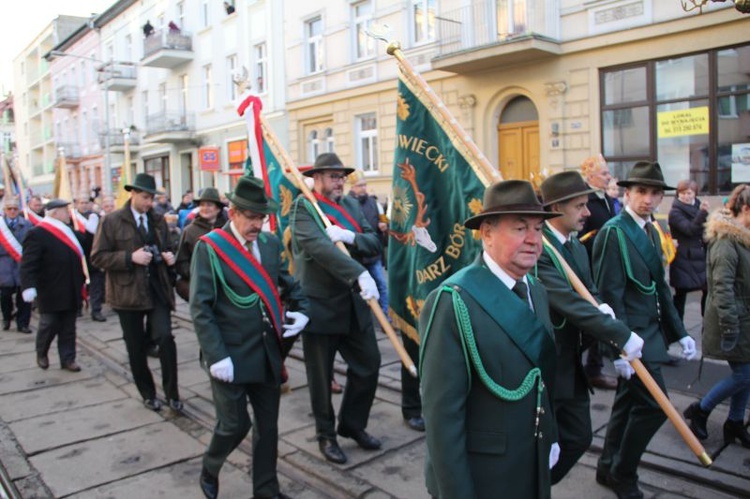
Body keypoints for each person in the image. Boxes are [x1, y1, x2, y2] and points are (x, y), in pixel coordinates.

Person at [419, 180, 559, 499]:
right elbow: (442, 419)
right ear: (487, 233)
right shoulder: (452, 302)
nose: (532, 240)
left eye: (538, 229)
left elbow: (541, 380)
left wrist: (550, 435)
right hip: (485, 476)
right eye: (519, 228)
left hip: (532, 459)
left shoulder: (535, 290)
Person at [191, 176, 309, 499]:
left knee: (268, 427)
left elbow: (288, 282)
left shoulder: (269, 245)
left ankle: (266, 490)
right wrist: (216, 356)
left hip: (267, 352)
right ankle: (210, 466)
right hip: (228, 356)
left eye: (262, 217)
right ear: (233, 213)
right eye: (251, 216)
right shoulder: (211, 248)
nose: (258, 223)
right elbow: (200, 308)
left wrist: (303, 309)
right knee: (234, 425)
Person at [592, 161, 697, 499]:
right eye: (641, 192)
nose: (648, 199)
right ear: (627, 193)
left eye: (655, 193)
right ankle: (625, 473)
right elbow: (610, 294)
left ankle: (609, 465)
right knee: (654, 407)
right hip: (633, 337)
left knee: (627, 403)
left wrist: (679, 331)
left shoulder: (651, 230)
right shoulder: (614, 231)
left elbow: (660, 288)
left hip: (650, 332)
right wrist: (617, 348)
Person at [536, 172, 644, 484]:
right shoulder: (540, 249)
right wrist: (620, 335)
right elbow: (568, 302)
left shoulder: (577, 247)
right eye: (580, 206)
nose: (587, 212)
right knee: (540, 447)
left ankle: (534, 483)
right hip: (546, 368)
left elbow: (590, 293)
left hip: (572, 364)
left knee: (580, 437)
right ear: (556, 208)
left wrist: (616, 349)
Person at [289, 152, 383, 465]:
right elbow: (318, 249)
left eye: (341, 176)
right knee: (320, 375)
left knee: (369, 363)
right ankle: (326, 435)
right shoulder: (305, 207)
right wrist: (356, 271)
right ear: (316, 179)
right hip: (321, 303)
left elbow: (374, 242)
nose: (340, 181)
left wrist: (350, 235)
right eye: (332, 176)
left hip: (354, 303)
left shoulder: (352, 205)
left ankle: (353, 425)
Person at [91, 173, 182, 412]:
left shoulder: (158, 220)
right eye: (144, 197)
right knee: (135, 347)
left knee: (165, 339)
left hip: (156, 290)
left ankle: (173, 394)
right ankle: (148, 393)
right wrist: (129, 258)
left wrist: (168, 256)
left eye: (151, 197)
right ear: (132, 194)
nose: (148, 202)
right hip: (127, 294)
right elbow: (98, 257)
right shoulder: (111, 221)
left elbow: (166, 246)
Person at [683, 185, 750, 448]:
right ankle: (701, 409)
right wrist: (730, 326)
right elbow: (722, 289)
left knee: (747, 373)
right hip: (732, 320)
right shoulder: (726, 242)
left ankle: (734, 423)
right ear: (745, 209)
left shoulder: (742, 237)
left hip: (743, 318)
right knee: (744, 375)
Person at [20, 199, 85, 371]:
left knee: (69, 327)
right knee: (49, 324)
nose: (68, 214)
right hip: (50, 289)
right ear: (55, 213)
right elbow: (28, 263)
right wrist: (28, 285)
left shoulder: (69, 231)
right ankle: (41, 351)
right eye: (65, 210)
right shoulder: (37, 233)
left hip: (70, 286)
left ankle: (68, 359)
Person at [579, 154, 619, 390]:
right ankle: (588, 367)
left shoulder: (604, 198)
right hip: (590, 267)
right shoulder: (586, 200)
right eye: (604, 173)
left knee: (601, 317)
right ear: (591, 176)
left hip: (605, 266)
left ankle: (594, 367)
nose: (609, 177)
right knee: (592, 321)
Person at [175, 187, 227, 301]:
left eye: (209, 205)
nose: (205, 208)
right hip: (200, 287)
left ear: (218, 209)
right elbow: (181, 262)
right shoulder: (189, 231)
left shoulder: (227, 229)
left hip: (225, 286)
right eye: (202, 205)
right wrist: (196, 274)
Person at [668, 179, 709, 321]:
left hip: (699, 256)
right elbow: (689, 229)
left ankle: (707, 322)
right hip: (683, 258)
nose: (686, 196)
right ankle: (677, 327)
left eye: (689, 193)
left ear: (695, 193)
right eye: (682, 193)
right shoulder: (675, 212)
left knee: (707, 290)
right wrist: (702, 213)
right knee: (681, 293)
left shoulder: (698, 206)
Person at [0, 198, 33, 333]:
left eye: (15, 208)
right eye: (9, 208)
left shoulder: (27, 225)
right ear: (4, 211)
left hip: (22, 264)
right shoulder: (1, 226)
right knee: (5, 295)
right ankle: (7, 318)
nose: (12, 211)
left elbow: (32, 245)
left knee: (24, 296)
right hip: (4, 265)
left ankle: (23, 323)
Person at [75, 195, 106, 322]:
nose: (84, 205)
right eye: (81, 202)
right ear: (77, 203)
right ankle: (77, 308)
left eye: (86, 202)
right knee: (77, 284)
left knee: (96, 284)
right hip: (77, 257)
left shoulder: (95, 217)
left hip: (92, 256)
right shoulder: (72, 218)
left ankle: (96, 310)